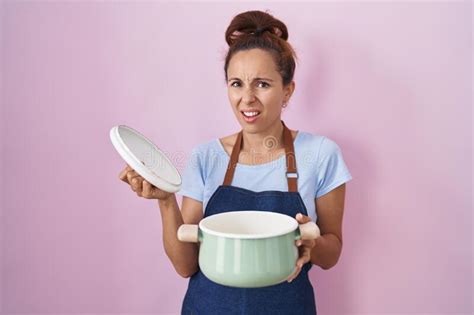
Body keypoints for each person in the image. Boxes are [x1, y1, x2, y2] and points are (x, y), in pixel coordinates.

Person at [118, 10, 352, 315]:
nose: (247, 98)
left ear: (287, 91)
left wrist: (312, 243)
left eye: (263, 84)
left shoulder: (321, 154)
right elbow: (186, 265)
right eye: (236, 83)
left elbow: (331, 252)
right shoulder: (206, 157)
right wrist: (165, 201)